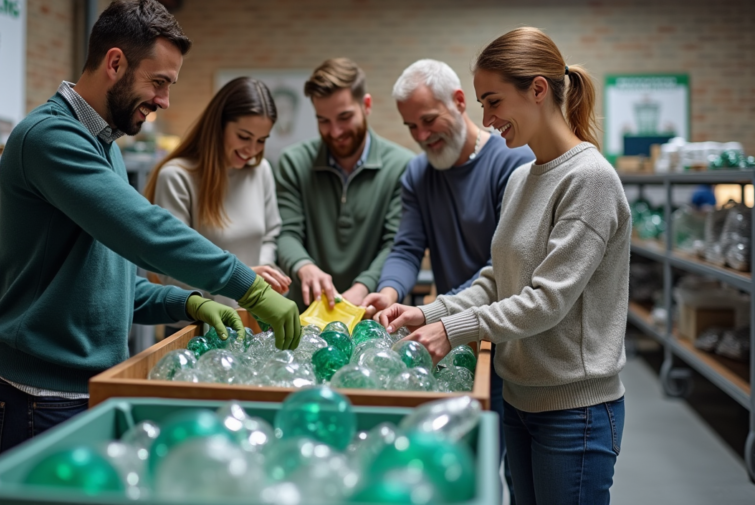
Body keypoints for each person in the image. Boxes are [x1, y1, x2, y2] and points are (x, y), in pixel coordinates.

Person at [0, 0, 300, 461]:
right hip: (37, 398)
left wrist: (187, 301)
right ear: (114, 63)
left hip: (90, 390)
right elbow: (144, 230)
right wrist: (244, 285)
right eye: (159, 82)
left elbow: (110, 284)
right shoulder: (49, 138)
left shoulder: (105, 143)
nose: (165, 101)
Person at [375, 27, 630, 505]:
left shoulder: (589, 179)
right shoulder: (520, 178)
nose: (488, 120)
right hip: (519, 397)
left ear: (537, 89)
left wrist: (455, 331)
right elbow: (497, 280)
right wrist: (430, 315)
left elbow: (547, 301)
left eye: (493, 101)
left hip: (573, 409)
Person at [360, 59, 533, 503]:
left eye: (428, 120)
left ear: (459, 102)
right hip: (454, 332)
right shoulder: (419, 174)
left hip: (507, 331)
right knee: (469, 461)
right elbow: (405, 248)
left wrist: (435, 312)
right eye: (409, 126)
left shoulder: (511, 162)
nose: (420, 136)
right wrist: (390, 291)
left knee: (518, 466)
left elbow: (503, 270)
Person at [276, 58, 414, 309]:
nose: (336, 131)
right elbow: (287, 233)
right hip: (304, 317)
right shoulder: (293, 162)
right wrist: (304, 266)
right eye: (323, 121)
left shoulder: (403, 166)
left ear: (367, 105)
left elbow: (396, 244)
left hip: (371, 314)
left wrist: (363, 287)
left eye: (345, 117)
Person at [144, 77, 290, 306]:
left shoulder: (260, 170)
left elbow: (270, 236)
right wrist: (242, 281)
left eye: (261, 140)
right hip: (198, 325)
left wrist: (263, 276)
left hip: (250, 319)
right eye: (244, 137)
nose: (252, 150)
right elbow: (169, 268)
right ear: (218, 126)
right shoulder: (177, 177)